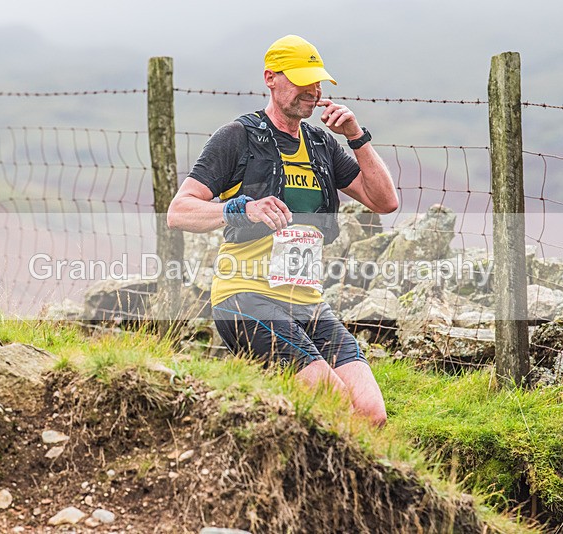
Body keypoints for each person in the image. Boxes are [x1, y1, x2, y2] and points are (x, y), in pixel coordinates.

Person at [167, 35, 399, 427]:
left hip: (308, 304)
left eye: (317, 81)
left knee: (372, 415)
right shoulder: (238, 137)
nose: (313, 90)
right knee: (335, 405)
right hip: (245, 299)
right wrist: (241, 209)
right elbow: (178, 211)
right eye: (302, 79)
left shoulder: (321, 144)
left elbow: (385, 201)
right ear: (270, 78)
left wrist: (356, 137)